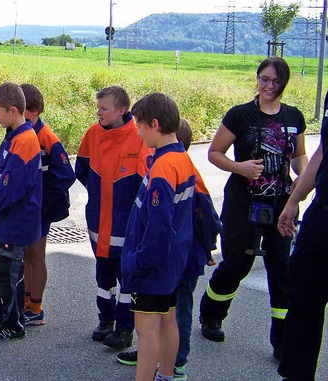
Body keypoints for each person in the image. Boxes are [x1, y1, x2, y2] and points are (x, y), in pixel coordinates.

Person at [198, 56, 308, 361]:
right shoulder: (240, 116)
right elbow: (214, 153)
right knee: (237, 262)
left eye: (276, 81)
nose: (269, 86)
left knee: (281, 269)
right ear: (257, 79)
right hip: (243, 202)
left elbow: (299, 156)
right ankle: (211, 313)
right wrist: (241, 167)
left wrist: (303, 182)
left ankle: (283, 341)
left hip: (281, 203)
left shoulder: (294, 117)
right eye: (264, 79)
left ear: (284, 83)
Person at [116, 118, 222, 381]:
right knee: (168, 318)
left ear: (155, 125)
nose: (137, 133)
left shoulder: (164, 167)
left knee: (148, 328)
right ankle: (167, 373)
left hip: (158, 264)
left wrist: (140, 262)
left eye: (140, 126)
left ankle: (158, 373)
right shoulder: (182, 161)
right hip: (175, 259)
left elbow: (160, 227)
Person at [75, 85, 153, 349]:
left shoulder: (139, 137)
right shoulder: (93, 133)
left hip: (125, 222)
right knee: (103, 276)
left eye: (104, 108)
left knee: (127, 278)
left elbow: (146, 182)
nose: (99, 113)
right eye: (98, 107)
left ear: (122, 110)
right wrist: (99, 195)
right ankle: (105, 320)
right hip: (98, 218)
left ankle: (124, 328)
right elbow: (82, 170)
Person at [0, 82, 42, 341]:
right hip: (2, 219)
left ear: (13, 111)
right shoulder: (11, 136)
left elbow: (13, 184)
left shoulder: (26, 140)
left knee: (9, 274)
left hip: (16, 222)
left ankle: (13, 324)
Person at [276, 91, 328, 380]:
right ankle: (296, 375)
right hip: (321, 216)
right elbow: (322, 151)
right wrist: (295, 199)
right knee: (303, 298)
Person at [20, 83, 76, 326]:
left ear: (38, 111)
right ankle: (25, 301)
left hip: (40, 209)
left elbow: (66, 175)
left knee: (36, 256)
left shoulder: (47, 136)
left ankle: (36, 306)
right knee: (25, 256)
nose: (25, 120)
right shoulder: (21, 130)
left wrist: (42, 199)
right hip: (25, 207)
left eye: (29, 116)